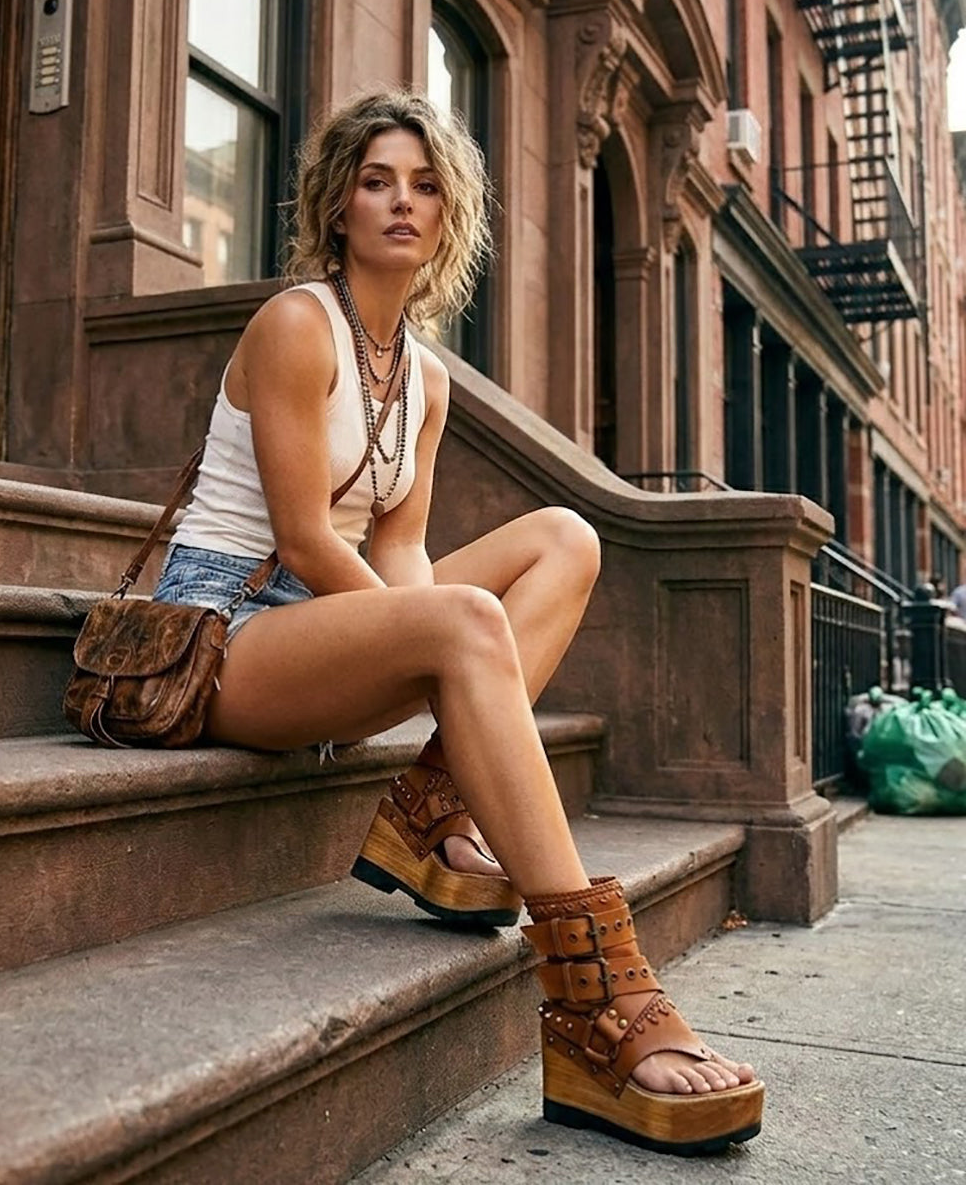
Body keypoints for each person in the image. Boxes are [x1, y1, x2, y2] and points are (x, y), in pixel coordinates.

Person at [155, 90, 762, 1155]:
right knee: (466, 622)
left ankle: (431, 803)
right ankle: (597, 997)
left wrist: (427, 634)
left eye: (426, 184)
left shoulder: (423, 378)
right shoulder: (297, 324)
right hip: (227, 632)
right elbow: (302, 540)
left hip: (327, 628)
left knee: (567, 536)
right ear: (337, 203)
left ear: (449, 216)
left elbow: (396, 546)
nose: (401, 201)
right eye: (378, 180)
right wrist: (434, 641)